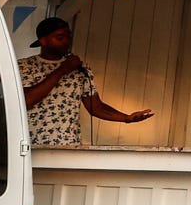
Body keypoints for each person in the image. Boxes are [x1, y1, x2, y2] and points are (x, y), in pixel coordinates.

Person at [18, 18, 153, 147]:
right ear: (43, 41)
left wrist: (126, 118)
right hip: (31, 146)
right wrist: (62, 70)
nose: (66, 41)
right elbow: (26, 100)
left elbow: (96, 107)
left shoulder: (80, 69)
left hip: (68, 146)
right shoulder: (25, 66)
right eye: (60, 37)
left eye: (68, 36)